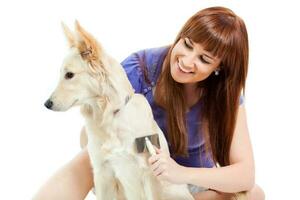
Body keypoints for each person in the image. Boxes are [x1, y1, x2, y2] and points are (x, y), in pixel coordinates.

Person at [34, 6, 265, 200]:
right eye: (187, 44)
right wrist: (146, 152)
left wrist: (180, 173)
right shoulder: (141, 69)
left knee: (253, 193)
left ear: (219, 69)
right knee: (92, 156)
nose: (186, 60)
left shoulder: (225, 94)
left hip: (189, 183)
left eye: (204, 59)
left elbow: (245, 173)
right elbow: (90, 137)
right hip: (136, 173)